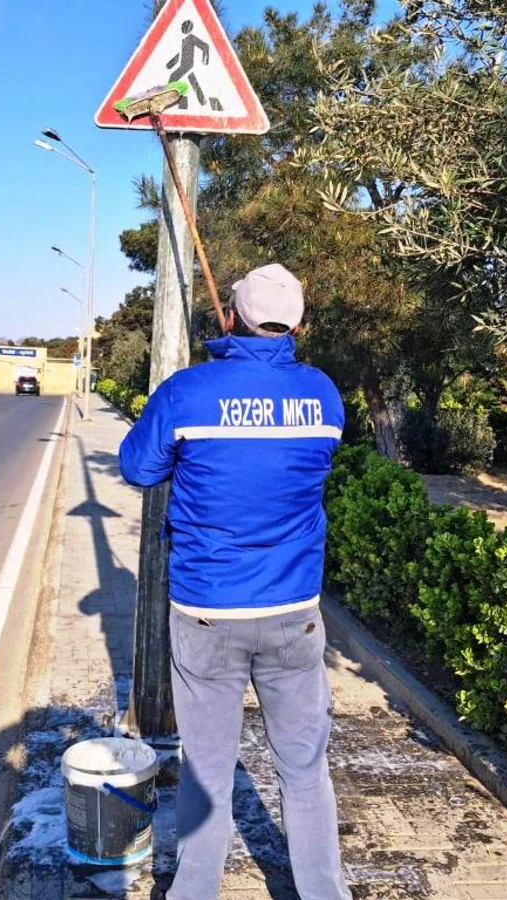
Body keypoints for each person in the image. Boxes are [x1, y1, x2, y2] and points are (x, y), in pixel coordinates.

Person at [119, 264, 350, 900]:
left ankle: (193, 891)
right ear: (297, 324)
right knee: (304, 767)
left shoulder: (188, 391)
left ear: (232, 316)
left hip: (207, 611)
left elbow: (138, 468)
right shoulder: (324, 395)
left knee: (207, 770)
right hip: (294, 610)